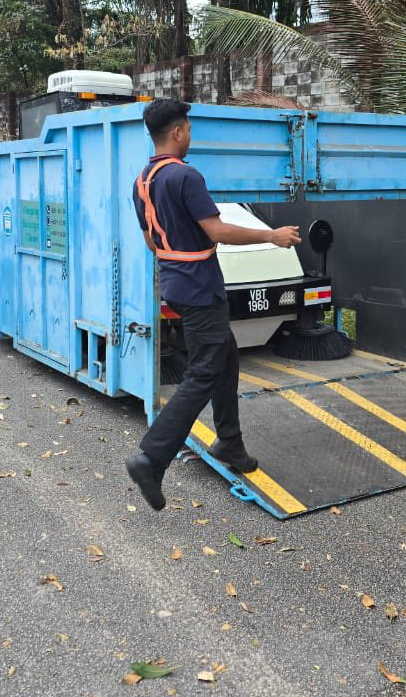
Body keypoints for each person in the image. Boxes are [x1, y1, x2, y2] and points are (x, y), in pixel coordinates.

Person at [124, 98, 301, 510]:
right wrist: (270, 236)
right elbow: (216, 229)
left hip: (177, 282)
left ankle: (230, 444)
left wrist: (180, 254)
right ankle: (152, 457)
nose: (190, 136)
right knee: (205, 369)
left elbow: (152, 240)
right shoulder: (186, 177)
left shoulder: (143, 182)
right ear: (178, 132)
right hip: (201, 287)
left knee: (226, 358)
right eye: (188, 129)